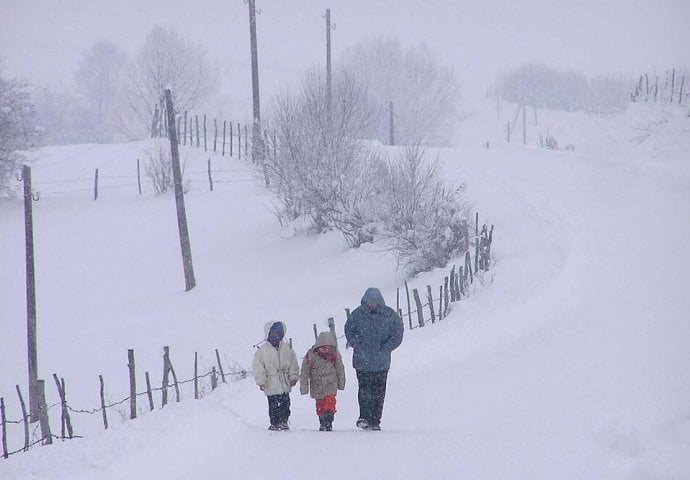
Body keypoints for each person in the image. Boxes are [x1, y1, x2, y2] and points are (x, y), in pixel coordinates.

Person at [344, 287, 404, 431]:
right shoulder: (357, 315)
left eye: (374, 301)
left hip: (381, 364)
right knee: (364, 391)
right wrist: (358, 346)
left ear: (379, 301)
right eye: (369, 301)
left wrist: (386, 348)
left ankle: (375, 420)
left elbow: (398, 333)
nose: (371, 304)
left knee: (378, 393)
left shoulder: (389, 315)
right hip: (362, 363)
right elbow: (349, 330)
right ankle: (364, 417)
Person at [252, 321, 300, 431]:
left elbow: (293, 363)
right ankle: (274, 423)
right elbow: (258, 367)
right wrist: (261, 381)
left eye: (278, 333)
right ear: (268, 334)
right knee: (273, 405)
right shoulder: (262, 351)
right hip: (271, 383)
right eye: (273, 333)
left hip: (284, 382)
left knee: (285, 403)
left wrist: (293, 376)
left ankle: (284, 421)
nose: (276, 335)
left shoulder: (286, 348)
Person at [300, 331, 346, 431]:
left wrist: (341, 383)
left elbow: (340, 368)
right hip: (316, 384)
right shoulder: (311, 354)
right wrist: (304, 387)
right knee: (320, 403)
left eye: (329, 346)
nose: (327, 348)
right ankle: (322, 421)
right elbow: (304, 371)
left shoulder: (334, 354)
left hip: (331, 383)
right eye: (325, 346)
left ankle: (328, 421)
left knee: (330, 401)